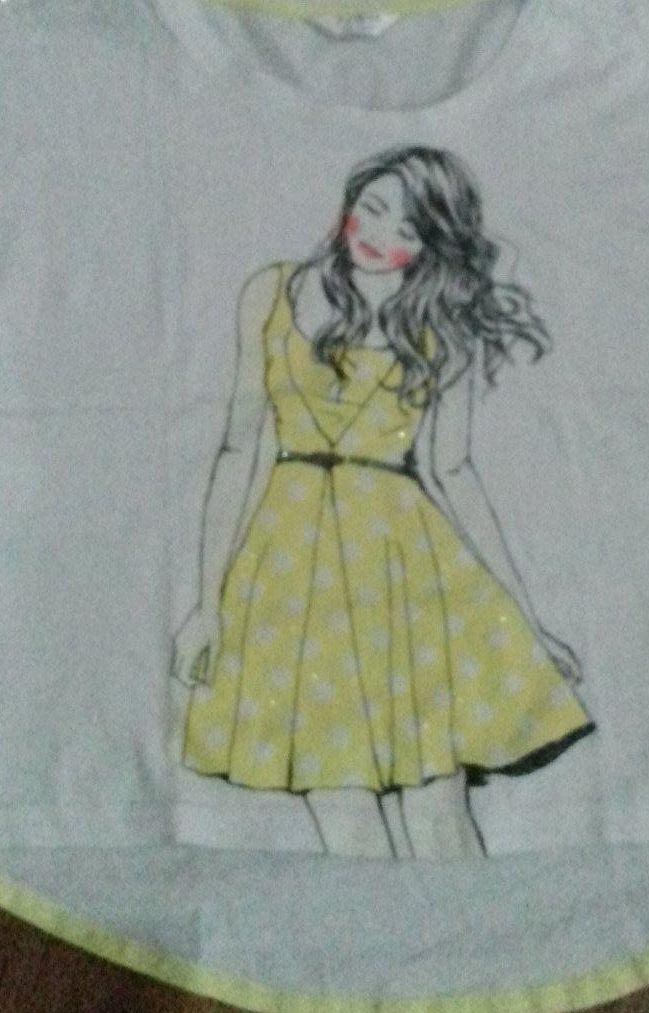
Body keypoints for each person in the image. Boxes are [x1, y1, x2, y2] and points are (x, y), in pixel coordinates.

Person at [171, 144, 595, 859]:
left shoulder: (443, 324)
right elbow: (239, 449)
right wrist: (206, 604)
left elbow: (452, 469)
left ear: (433, 244)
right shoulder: (271, 293)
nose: (377, 235)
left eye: (407, 228)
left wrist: (528, 620)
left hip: (406, 573)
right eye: (370, 208)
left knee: (437, 814)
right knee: (343, 815)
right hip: (291, 577)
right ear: (347, 203)